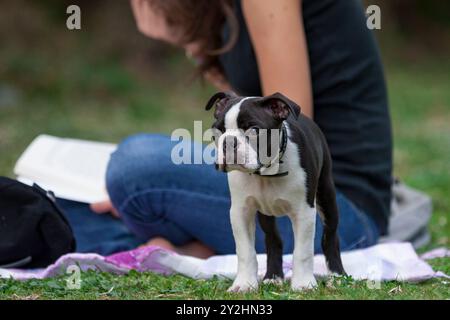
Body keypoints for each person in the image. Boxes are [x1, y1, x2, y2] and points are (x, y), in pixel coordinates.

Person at [59, 0, 393, 259]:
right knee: (62, 205)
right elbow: (244, 110)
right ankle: (176, 243)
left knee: (135, 164)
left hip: (333, 213)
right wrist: (189, 35)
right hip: (270, 192)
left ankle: (182, 243)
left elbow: (281, 138)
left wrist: (146, 186)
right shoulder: (225, 10)